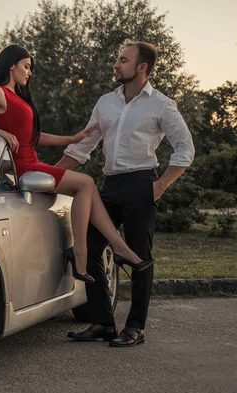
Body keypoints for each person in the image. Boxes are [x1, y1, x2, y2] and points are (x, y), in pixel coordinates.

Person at [0, 44, 151, 285]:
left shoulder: (17, 97)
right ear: (11, 65)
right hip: (24, 167)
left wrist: (71, 139)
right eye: (26, 67)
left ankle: (115, 248)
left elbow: (33, 137)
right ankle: (85, 252)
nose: (29, 73)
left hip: (32, 161)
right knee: (86, 183)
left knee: (87, 187)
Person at [59, 40, 195, 347]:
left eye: (123, 60)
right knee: (90, 248)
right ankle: (103, 322)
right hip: (108, 186)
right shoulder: (106, 102)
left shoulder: (161, 104)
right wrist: (52, 175)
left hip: (141, 185)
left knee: (139, 257)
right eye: (117, 59)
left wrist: (160, 186)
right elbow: (82, 146)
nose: (116, 65)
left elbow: (186, 149)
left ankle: (136, 327)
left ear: (142, 67)